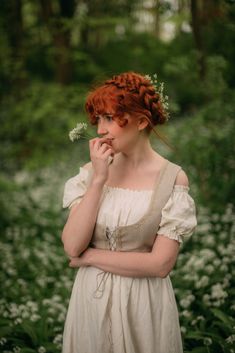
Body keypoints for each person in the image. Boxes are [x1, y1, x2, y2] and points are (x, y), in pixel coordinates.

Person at [61, 72, 197, 353]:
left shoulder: (173, 180)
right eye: (98, 119)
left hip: (144, 305)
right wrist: (98, 179)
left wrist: (88, 257)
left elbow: (160, 265)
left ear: (142, 121)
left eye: (109, 118)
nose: (100, 130)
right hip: (89, 303)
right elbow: (72, 245)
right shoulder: (88, 175)